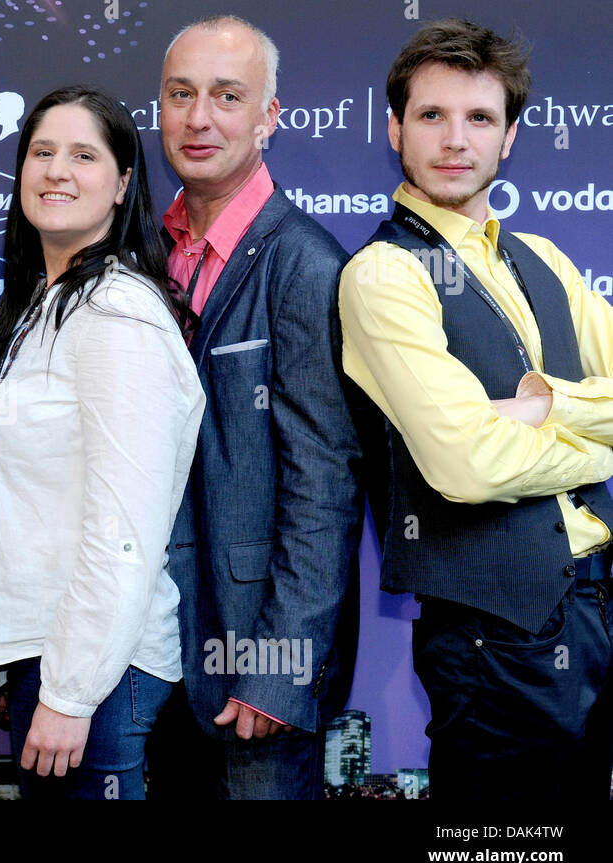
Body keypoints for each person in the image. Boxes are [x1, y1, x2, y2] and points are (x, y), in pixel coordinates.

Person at [340, 18, 613, 802]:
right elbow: (466, 462)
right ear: (394, 129)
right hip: (494, 636)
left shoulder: (545, 260)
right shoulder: (385, 274)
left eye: (479, 118)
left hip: (595, 606)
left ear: (511, 137)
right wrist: (599, 445)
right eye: (431, 115)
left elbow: (504, 434)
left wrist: (544, 403)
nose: (455, 139)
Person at [0, 86, 204, 800]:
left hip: (98, 675)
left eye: (84, 155)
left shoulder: (119, 316)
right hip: (59, 660)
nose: (57, 170)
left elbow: (123, 530)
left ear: (124, 183)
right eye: (42, 152)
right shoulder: (49, 304)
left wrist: (68, 689)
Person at [147, 14, 364, 800]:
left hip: (253, 667)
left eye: (227, 96)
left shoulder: (307, 265)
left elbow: (326, 486)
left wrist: (280, 670)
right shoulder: (146, 253)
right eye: (181, 95)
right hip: (153, 657)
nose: (199, 118)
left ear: (269, 117)